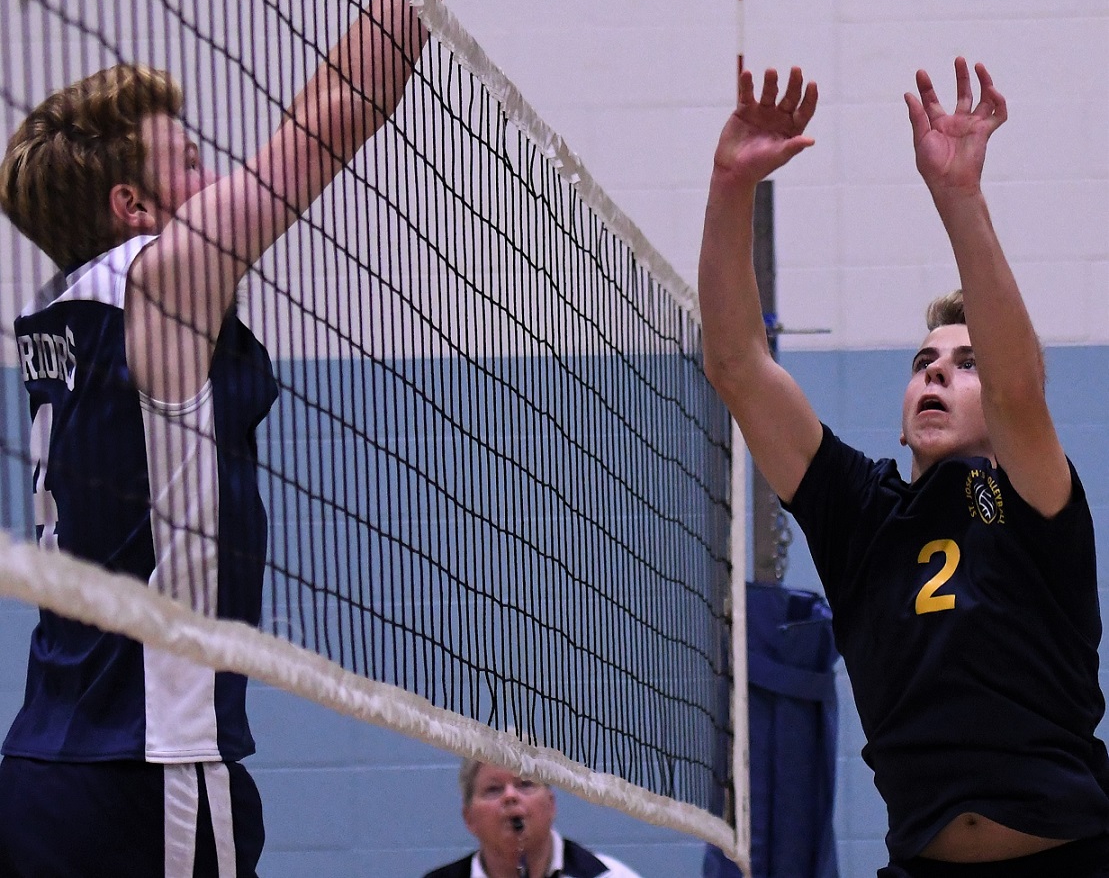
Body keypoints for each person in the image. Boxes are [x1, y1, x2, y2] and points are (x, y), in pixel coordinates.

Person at [0, 0, 580, 877]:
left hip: (44, 762)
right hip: (154, 767)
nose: (215, 176)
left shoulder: (60, 313)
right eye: (190, 162)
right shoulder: (158, 278)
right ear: (134, 206)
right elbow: (329, 121)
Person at [697, 58, 1109, 877]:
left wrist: (958, 196)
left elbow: (1018, 390)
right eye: (923, 362)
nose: (934, 373)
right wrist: (728, 184)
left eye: (963, 363)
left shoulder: (1031, 496)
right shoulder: (861, 514)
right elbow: (737, 367)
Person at [422, 759, 644, 878]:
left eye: (525, 784)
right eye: (493, 789)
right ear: (469, 818)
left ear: (551, 804)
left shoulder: (612, 876)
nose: (510, 796)